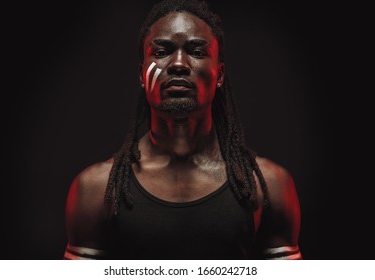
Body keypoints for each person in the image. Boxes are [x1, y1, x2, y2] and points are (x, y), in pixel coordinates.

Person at [63, 0, 302, 260]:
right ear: (142, 74)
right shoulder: (96, 189)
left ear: (219, 75)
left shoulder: (267, 185)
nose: (178, 64)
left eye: (197, 52)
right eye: (161, 51)